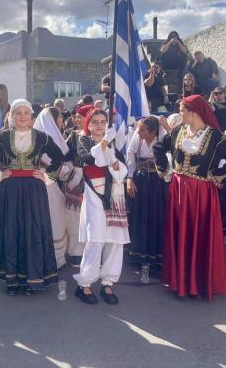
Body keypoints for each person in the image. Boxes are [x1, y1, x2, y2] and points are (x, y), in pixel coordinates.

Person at [153, 95, 226, 299]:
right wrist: (165, 170)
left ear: (194, 112)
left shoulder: (215, 137)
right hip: (178, 190)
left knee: (199, 234)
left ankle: (198, 282)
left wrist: (217, 175)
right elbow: (158, 148)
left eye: (182, 111)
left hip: (201, 193)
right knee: (180, 233)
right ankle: (180, 280)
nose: (179, 114)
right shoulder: (178, 131)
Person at [0, 99, 63, 295]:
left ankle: (32, 278)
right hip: (10, 190)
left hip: (34, 190)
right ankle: (12, 280)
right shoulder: (1, 137)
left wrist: (47, 176)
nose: (22, 116)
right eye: (18, 113)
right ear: (11, 116)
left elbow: (59, 156)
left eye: (26, 113)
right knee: (11, 230)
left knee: (32, 231)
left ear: (32, 118)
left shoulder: (41, 137)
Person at [73, 108, 127, 305]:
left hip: (114, 195)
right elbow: (88, 158)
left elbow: (121, 166)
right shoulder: (84, 140)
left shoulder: (113, 144)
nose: (99, 125)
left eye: (103, 122)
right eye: (95, 121)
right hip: (94, 194)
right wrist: (105, 143)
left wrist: (114, 161)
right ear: (88, 124)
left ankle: (108, 282)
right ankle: (85, 283)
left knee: (114, 240)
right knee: (95, 238)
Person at [33, 107, 75, 269]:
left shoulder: (38, 135)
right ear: (52, 119)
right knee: (53, 218)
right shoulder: (47, 138)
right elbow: (57, 166)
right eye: (60, 117)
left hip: (41, 184)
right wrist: (69, 168)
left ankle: (43, 257)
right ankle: (54, 258)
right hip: (47, 184)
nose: (62, 120)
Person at [126, 116, 168, 267]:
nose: (138, 132)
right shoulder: (137, 140)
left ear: (153, 132)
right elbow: (130, 156)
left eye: (142, 130)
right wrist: (130, 179)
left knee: (157, 216)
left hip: (158, 182)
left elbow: (173, 152)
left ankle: (156, 255)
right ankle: (138, 254)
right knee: (139, 215)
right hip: (141, 181)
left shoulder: (162, 139)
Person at [63, 104, 93, 266]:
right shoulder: (73, 136)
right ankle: (76, 252)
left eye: (80, 117)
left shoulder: (95, 136)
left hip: (92, 181)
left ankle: (89, 252)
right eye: (75, 117)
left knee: (90, 218)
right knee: (74, 218)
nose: (76, 120)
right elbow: (64, 153)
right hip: (75, 180)